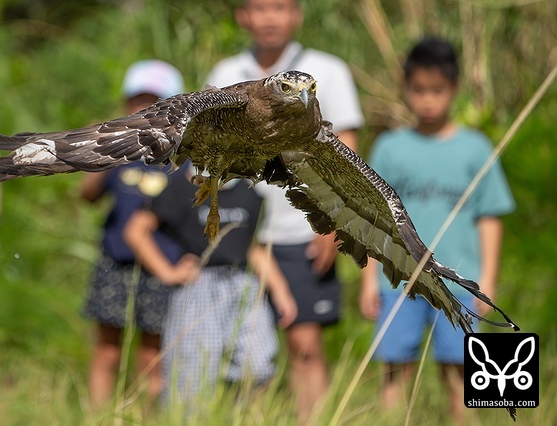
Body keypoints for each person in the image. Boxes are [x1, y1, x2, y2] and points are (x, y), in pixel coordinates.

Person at [205, 0, 364, 421]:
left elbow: (345, 148)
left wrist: (334, 222)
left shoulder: (326, 71)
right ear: (242, 15)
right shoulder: (225, 74)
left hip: (300, 228)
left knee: (305, 346)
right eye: (259, 7)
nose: (270, 17)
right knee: (238, 351)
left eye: (280, 6)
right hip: (240, 232)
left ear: (298, 14)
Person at [358, 36, 515, 423]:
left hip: (460, 282)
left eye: (437, 90)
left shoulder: (476, 148)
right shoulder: (389, 148)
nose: (427, 100)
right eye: (418, 90)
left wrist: (488, 280)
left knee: (464, 373)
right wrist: (367, 282)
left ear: (454, 89)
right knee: (394, 370)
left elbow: (490, 217)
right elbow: (372, 220)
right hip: (399, 281)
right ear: (406, 88)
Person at [125, 165, 297, 406]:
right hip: (200, 286)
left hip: (243, 285)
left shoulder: (248, 192)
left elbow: (253, 247)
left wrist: (281, 291)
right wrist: (167, 272)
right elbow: (136, 230)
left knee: (259, 366)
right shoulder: (182, 188)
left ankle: (240, 417)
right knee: (193, 375)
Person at [81, 59, 186, 410]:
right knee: (107, 347)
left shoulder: (182, 157)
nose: (145, 110)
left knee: (152, 353)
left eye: (155, 102)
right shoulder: (116, 149)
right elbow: (88, 195)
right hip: (116, 261)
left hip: (162, 264)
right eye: (138, 101)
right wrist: (100, 153)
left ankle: (147, 415)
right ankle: (98, 415)